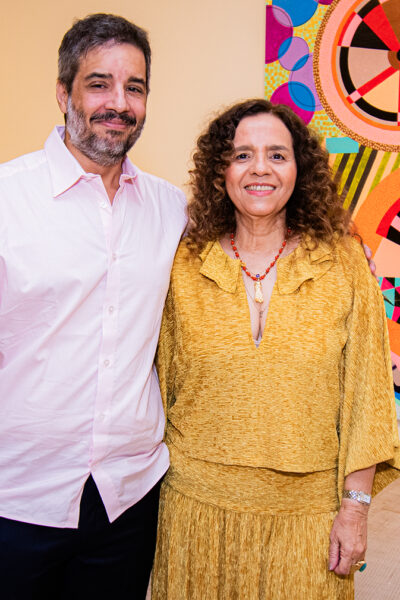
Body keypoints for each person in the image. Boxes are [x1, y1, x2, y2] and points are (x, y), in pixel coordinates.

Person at [152, 99, 400, 599]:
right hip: (196, 510)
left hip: (308, 516)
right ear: (220, 172)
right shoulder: (182, 264)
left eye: (277, 155)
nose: (259, 168)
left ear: (299, 169)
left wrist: (354, 510)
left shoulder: (343, 263)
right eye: (242, 155)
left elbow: (367, 396)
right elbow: (156, 383)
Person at [0, 13, 187, 600]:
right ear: (64, 93)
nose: (119, 103)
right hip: (18, 496)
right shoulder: (8, 199)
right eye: (99, 84)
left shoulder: (171, 210)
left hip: (126, 497)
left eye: (135, 87)